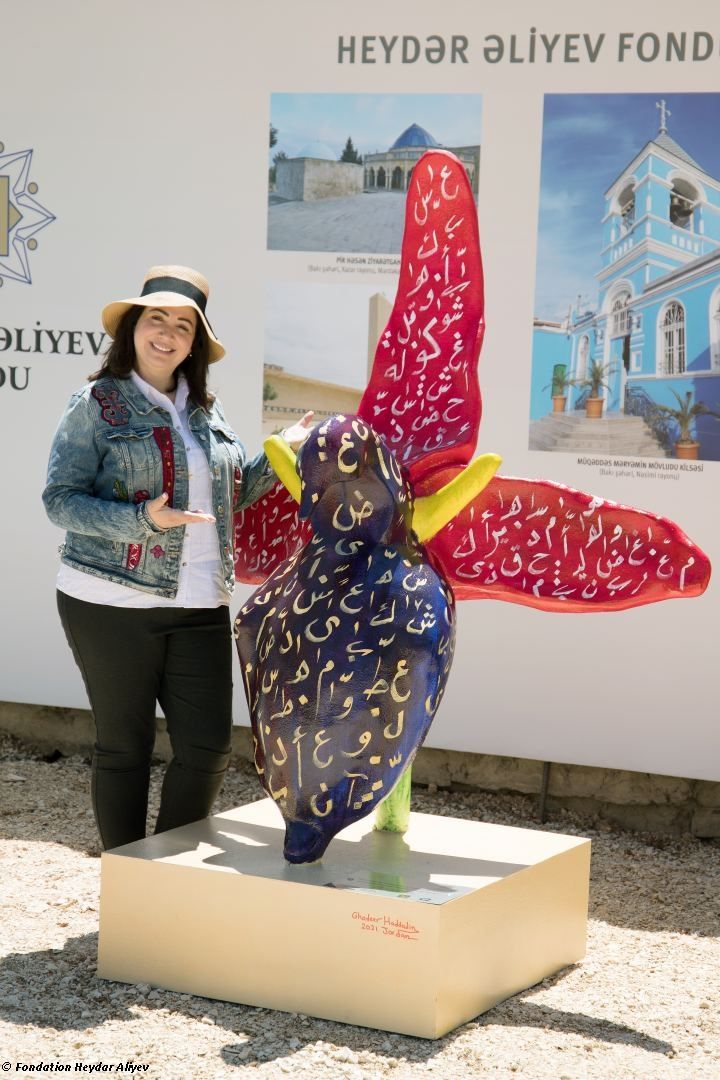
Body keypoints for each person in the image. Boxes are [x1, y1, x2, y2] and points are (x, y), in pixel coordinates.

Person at [43, 265, 312, 850]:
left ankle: (162, 869)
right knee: (125, 747)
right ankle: (125, 873)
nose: (167, 333)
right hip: (109, 600)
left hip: (200, 601)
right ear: (134, 327)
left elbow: (232, 494)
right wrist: (143, 520)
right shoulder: (96, 404)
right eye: (156, 319)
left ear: (194, 344)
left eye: (183, 326)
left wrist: (284, 451)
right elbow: (60, 501)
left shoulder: (206, 411)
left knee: (208, 749)